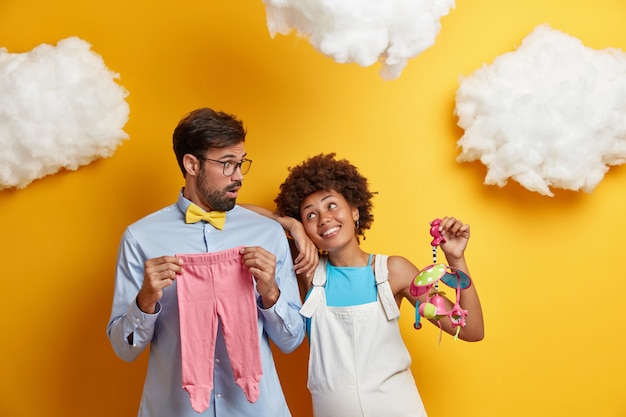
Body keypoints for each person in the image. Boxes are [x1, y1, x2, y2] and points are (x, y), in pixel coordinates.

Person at [106, 107, 308, 417]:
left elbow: (291, 341)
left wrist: (270, 292)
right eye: (227, 164)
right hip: (174, 409)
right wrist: (146, 300)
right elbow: (124, 349)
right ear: (191, 164)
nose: (238, 176)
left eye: (241, 164)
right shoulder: (141, 238)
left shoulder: (266, 234)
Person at [265, 153, 485, 417]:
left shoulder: (393, 271)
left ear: (355, 211)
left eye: (331, 205)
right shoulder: (307, 272)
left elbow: (471, 330)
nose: (323, 218)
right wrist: (291, 226)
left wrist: (456, 258)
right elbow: (235, 212)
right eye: (310, 215)